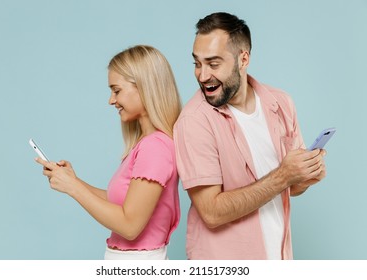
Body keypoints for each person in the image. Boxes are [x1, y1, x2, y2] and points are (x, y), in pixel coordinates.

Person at [173, 12, 327, 260]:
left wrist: (305, 175)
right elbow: (211, 212)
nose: (202, 75)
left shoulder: (281, 103)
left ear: (243, 59)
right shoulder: (194, 121)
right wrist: (283, 176)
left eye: (213, 64)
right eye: (197, 63)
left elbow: (292, 187)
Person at [35, 45, 182, 260]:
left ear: (143, 87)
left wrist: (73, 187)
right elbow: (121, 203)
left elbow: (130, 226)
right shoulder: (147, 144)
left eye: (117, 90)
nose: (111, 100)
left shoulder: (156, 147)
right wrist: (73, 181)